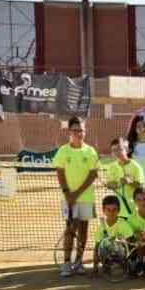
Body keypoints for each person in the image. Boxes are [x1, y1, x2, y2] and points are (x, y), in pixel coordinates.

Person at [54, 116, 99, 278]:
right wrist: (68, 193)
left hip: (86, 198)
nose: (79, 133)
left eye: (81, 130)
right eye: (75, 130)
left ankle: (79, 261)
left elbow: (93, 175)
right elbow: (60, 172)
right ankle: (67, 263)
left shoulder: (90, 151)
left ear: (85, 131)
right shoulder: (63, 151)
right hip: (68, 198)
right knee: (70, 229)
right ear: (69, 132)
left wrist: (77, 193)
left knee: (83, 230)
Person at [92, 195, 135, 272]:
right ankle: (107, 265)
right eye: (108, 210)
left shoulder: (123, 224)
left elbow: (130, 243)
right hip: (108, 253)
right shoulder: (101, 226)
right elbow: (96, 247)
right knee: (103, 245)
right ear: (103, 210)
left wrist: (120, 241)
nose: (111, 213)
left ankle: (125, 265)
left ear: (119, 210)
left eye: (114, 210)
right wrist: (95, 268)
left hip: (121, 252)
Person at [105, 137, 145, 220]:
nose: (117, 152)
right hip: (118, 209)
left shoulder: (136, 166)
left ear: (126, 150)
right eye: (114, 150)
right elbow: (109, 184)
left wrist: (129, 182)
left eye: (120, 149)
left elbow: (141, 186)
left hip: (134, 209)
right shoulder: (111, 167)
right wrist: (118, 183)